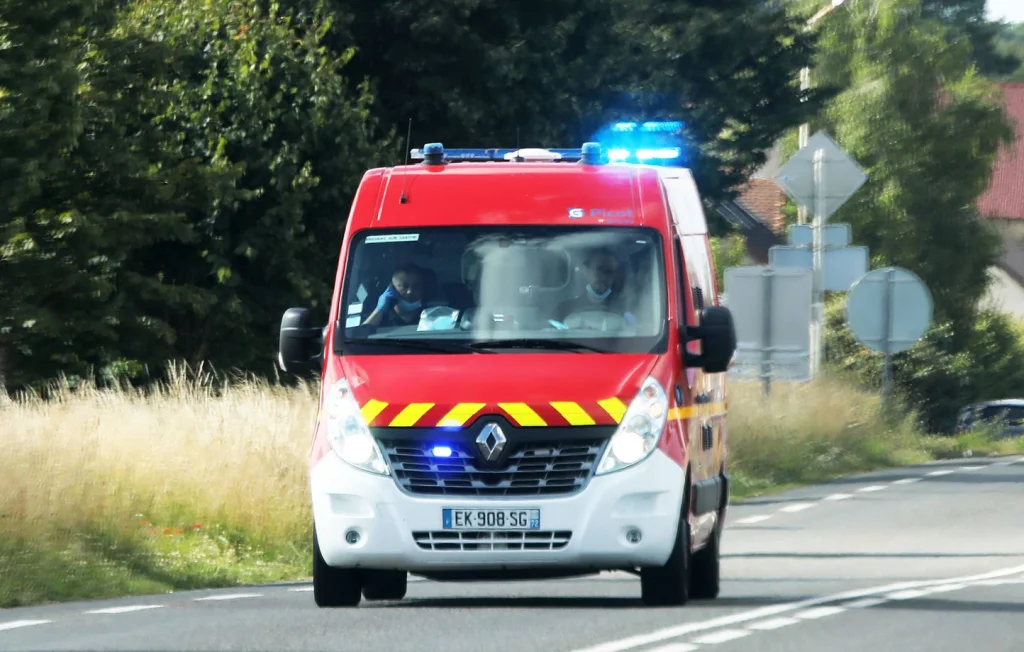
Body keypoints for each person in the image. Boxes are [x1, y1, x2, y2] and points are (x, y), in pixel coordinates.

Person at [555, 247, 635, 324]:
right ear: (585, 271)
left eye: (609, 271)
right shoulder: (564, 310)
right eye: (599, 269)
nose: (604, 276)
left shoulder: (626, 312)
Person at [362, 263, 426, 327]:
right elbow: (361, 334)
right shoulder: (380, 316)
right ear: (392, 288)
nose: (410, 291)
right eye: (404, 286)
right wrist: (379, 310)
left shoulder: (431, 313)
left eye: (416, 287)